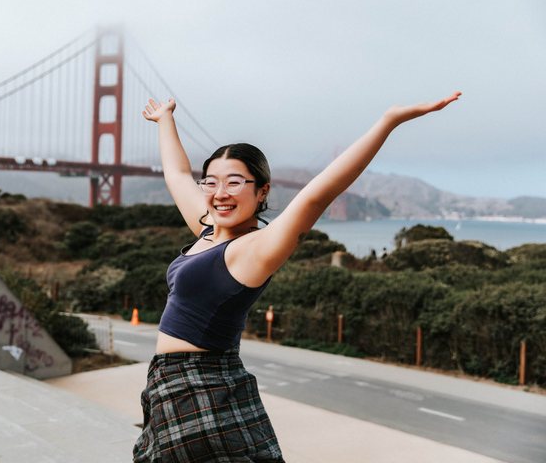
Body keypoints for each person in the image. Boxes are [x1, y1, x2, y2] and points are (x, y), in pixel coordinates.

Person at [132, 92, 461, 462]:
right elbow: (177, 174)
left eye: (235, 183)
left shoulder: (256, 249)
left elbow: (316, 196)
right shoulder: (208, 228)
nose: (219, 193)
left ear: (263, 191)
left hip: (204, 385)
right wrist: (165, 121)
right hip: (170, 382)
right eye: (210, 182)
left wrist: (388, 121)